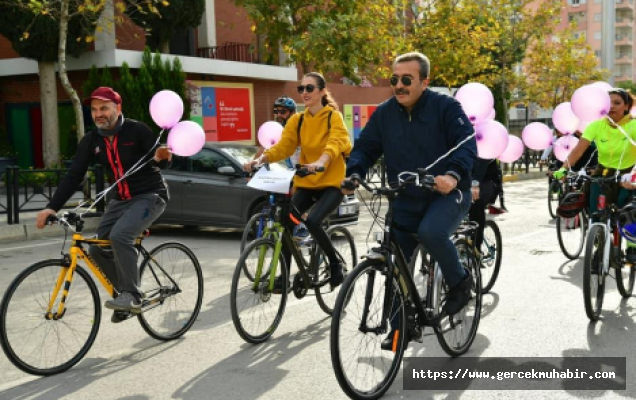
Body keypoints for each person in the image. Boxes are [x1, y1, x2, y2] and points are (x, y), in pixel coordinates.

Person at [343, 52, 477, 326]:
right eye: (394, 79)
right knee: (395, 258)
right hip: (406, 196)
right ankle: (400, 324)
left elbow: (466, 144)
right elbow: (366, 148)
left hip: (449, 194)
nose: (399, 85)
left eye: (407, 79)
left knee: (431, 232)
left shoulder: (446, 108)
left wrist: (452, 175)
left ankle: (460, 283)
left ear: (425, 82)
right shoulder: (384, 113)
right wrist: (354, 174)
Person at [35, 87, 172, 320]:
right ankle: (124, 294)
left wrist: (163, 159)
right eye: (94, 109)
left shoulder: (137, 131)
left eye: (104, 108)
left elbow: (162, 161)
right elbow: (74, 175)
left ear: (118, 109)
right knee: (96, 248)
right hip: (119, 200)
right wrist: (52, 207)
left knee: (119, 236)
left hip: (150, 195)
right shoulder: (91, 140)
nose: (99, 114)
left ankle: (132, 295)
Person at [244, 72, 352, 289]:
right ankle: (284, 277)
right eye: (301, 89)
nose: (304, 93)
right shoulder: (298, 119)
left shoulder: (333, 116)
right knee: (284, 222)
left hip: (332, 183)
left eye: (309, 88)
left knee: (313, 221)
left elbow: (336, 143)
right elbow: (284, 146)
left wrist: (321, 161)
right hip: (307, 183)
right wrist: (260, 160)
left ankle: (334, 263)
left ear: (322, 91)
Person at [563, 87, 636, 261]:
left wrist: (633, 175)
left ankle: (632, 247)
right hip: (603, 173)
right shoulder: (596, 125)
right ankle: (599, 247)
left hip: (629, 172)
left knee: (629, 211)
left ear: (626, 106)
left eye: (617, 103)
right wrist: (563, 169)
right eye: (608, 102)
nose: (611, 107)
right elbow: (578, 151)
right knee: (596, 213)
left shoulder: (633, 125)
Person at [469, 159, 504, 255]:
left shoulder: (485, 147)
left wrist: (475, 183)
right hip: (466, 179)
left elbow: (482, 163)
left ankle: (477, 250)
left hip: (487, 181)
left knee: (476, 205)